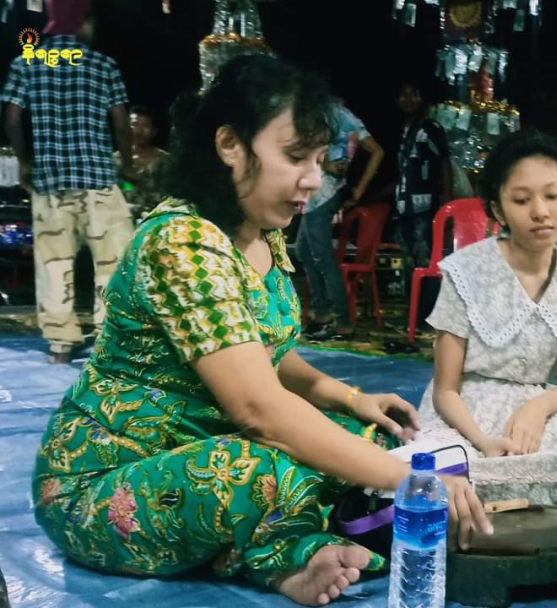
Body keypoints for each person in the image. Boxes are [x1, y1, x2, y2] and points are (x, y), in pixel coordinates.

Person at [30, 55, 490, 607]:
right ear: (230, 145)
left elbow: (268, 354)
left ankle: (271, 539)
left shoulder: (259, 235)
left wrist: (350, 396)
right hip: (109, 480)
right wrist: (415, 486)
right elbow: (258, 410)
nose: (314, 179)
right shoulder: (183, 244)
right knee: (252, 467)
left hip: (202, 437)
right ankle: (282, 559)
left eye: (319, 159)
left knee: (365, 438)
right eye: (296, 156)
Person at [416, 129, 557, 506]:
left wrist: (537, 409)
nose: (540, 211)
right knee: (435, 473)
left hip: (545, 412)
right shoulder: (465, 272)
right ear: (497, 210)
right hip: (463, 416)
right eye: (522, 200)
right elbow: (445, 390)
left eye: (552, 196)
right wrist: (483, 441)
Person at [1, 2, 135, 364]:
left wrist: (25, 162)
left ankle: (60, 346)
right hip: (99, 183)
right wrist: (127, 165)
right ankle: (111, 343)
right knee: (112, 266)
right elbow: (121, 122)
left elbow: (12, 118)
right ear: (83, 22)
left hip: (51, 184)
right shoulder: (102, 64)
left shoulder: (25, 62)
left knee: (54, 266)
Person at [294, 100, 383, 341]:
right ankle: (321, 313)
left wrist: (358, 187)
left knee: (323, 258)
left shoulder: (329, 114)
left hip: (323, 192)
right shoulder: (341, 116)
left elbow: (375, 151)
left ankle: (342, 322)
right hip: (318, 194)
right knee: (303, 249)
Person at [393, 81, 451, 268]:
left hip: (424, 209)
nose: (408, 99)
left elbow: (444, 161)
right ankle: (414, 298)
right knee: (409, 263)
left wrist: (447, 201)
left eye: (414, 94)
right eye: (404, 95)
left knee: (426, 262)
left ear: (421, 99)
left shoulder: (430, 128)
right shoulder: (402, 131)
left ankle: (428, 297)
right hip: (404, 208)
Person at [115, 105, 168, 220]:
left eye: (145, 126)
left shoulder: (165, 160)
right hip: (122, 221)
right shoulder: (114, 160)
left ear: (154, 131)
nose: (139, 130)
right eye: (135, 124)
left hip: (156, 220)